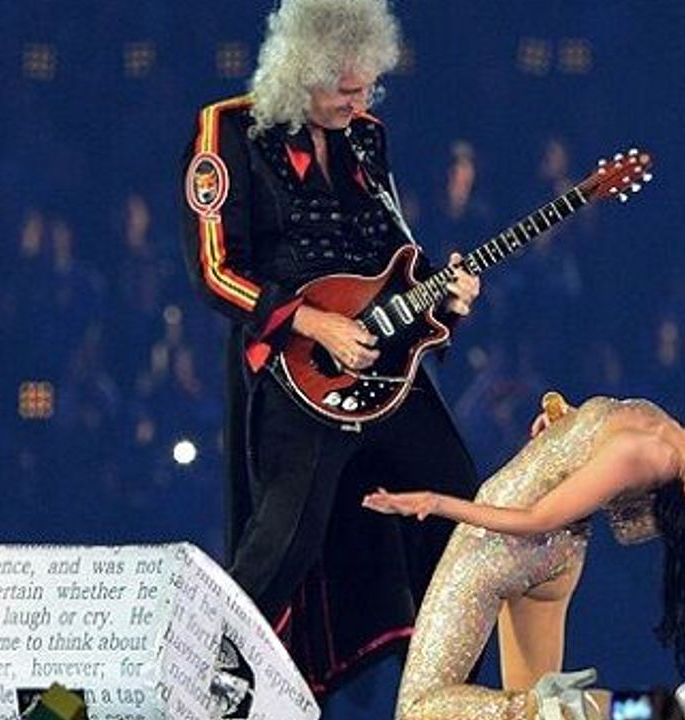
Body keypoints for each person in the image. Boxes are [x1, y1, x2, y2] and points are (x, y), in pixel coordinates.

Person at [180, 0, 482, 692]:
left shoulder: (367, 137)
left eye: (368, 86)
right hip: (298, 373)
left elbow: (390, 254)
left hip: (385, 366)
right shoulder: (228, 131)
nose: (359, 102)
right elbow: (215, 270)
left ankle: (450, 693)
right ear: (300, 73)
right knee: (283, 545)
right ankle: (193, 684)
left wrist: (443, 295)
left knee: (460, 506)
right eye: (345, 89)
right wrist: (314, 325)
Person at [363, 393, 685, 719]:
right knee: (540, 711)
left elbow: (535, 519)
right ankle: (673, 713)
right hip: (558, 556)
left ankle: (667, 713)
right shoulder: (667, 443)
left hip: (498, 550)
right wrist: (567, 427)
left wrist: (437, 503)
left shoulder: (646, 452)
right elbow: (617, 508)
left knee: (421, 710)